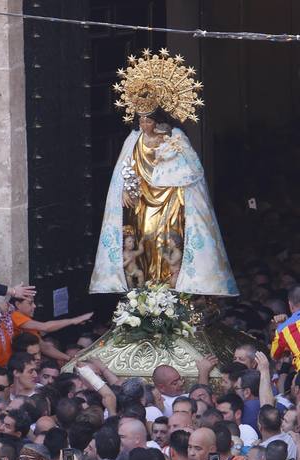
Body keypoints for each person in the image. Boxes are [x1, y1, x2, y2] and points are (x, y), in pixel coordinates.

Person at [90, 49, 236, 297]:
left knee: (166, 243)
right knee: (145, 240)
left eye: (148, 119)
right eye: (140, 119)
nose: (143, 124)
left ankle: (171, 288)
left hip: (170, 202)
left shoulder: (175, 138)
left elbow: (192, 171)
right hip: (142, 203)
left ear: (158, 119)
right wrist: (126, 189)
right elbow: (123, 173)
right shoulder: (133, 140)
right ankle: (147, 289)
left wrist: (168, 157)